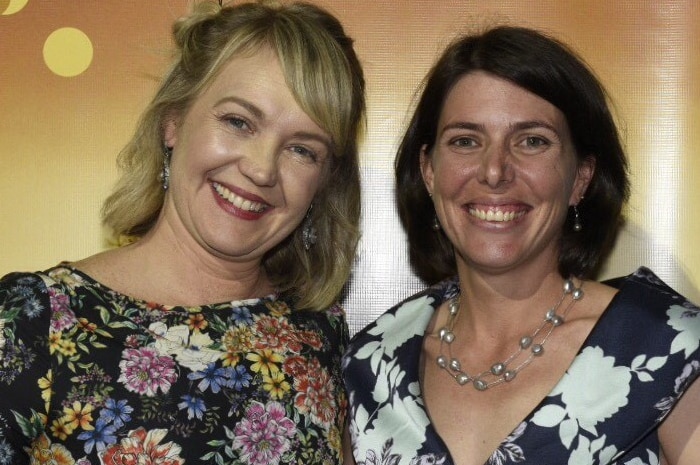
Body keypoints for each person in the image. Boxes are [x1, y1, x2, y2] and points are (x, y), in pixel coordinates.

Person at [0, 0, 365, 463]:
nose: (260, 169)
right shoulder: (33, 321)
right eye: (238, 122)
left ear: (323, 182)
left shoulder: (319, 332)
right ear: (174, 120)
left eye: (302, 149)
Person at [343, 26, 699, 465]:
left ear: (581, 178)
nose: (494, 171)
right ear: (428, 171)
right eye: (465, 141)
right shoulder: (371, 363)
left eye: (532, 141)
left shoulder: (670, 350)